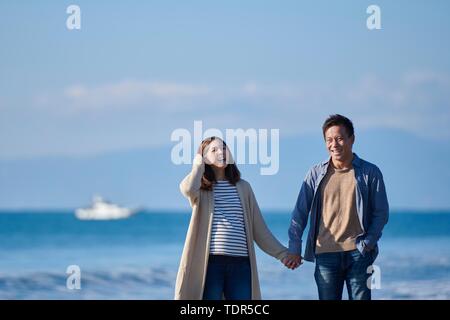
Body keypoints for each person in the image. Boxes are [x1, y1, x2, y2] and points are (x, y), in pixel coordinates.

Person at [283, 114, 389, 300]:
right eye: (329, 140)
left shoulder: (370, 172)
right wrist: (294, 247)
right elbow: (299, 214)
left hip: (359, 253)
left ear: (352, 139)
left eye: (340, 139)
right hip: (325, 255)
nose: (334, 144)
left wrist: (368, 243)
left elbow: (381, 213)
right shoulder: (315, 173)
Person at [175, 136, 289, 300]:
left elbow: (259, 229)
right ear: (205, 158)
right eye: (213, 150)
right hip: (211, 264)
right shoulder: (200, 189)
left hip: (241, 264)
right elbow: (187, 189)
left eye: (223, 148)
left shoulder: (243, 187)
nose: (220, 152)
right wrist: (198, 164)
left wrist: (283, 254)